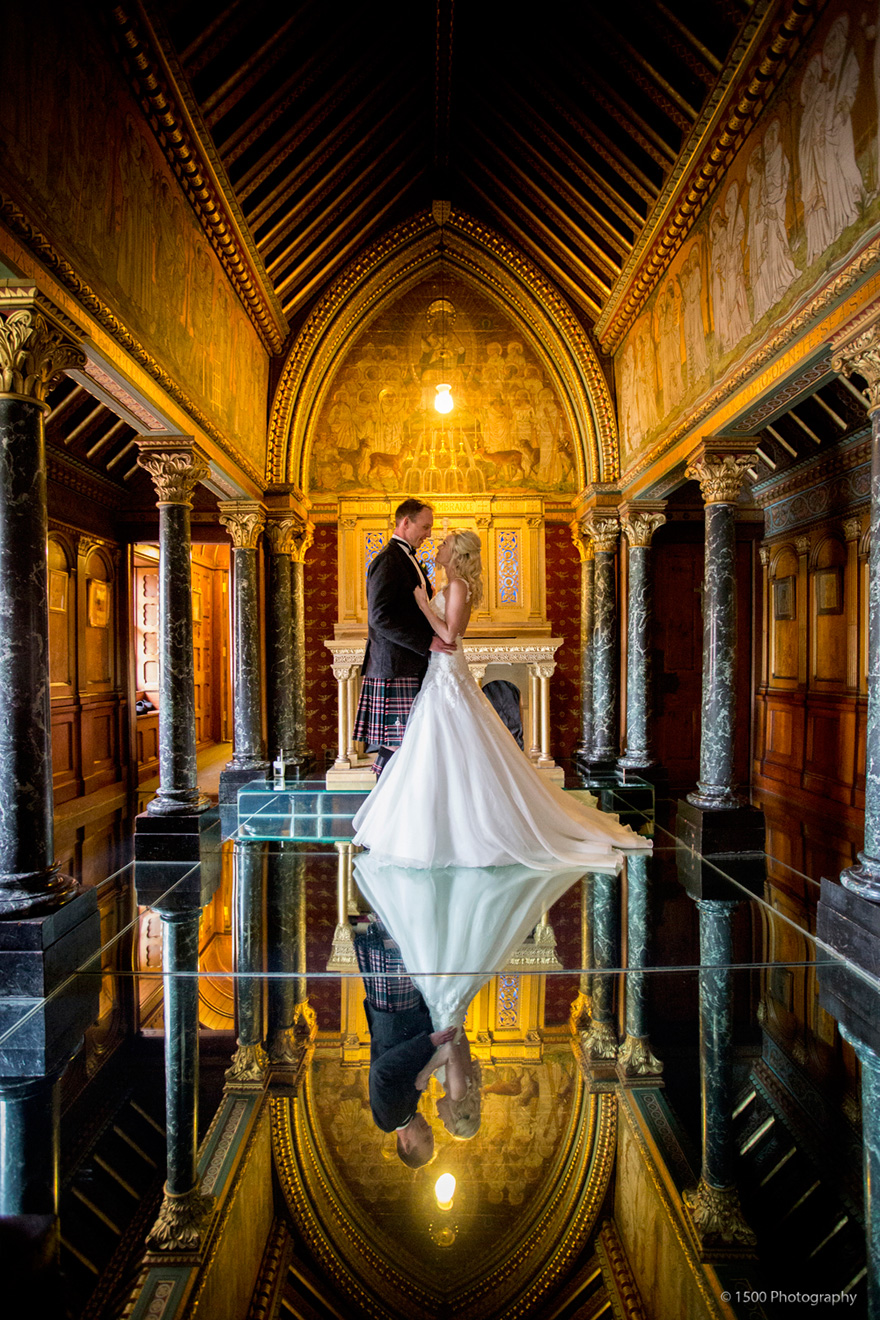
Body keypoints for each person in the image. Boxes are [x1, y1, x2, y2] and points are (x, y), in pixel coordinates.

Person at [352, 529, 652, 868]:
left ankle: (468, 828)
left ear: (458, 554)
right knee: (440, 745)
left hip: (447, 669)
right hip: (439, 671)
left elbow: (450, 634)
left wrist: (423, 606)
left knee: (445, 740)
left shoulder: (458, 586)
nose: (439, 544)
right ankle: (441, 824)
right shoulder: (450, 585)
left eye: (446, 544)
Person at [352, 498, 455, 775]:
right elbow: (380, 618)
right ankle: (383, 804)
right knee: (398, 742)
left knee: (405, 741)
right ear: (405, 522)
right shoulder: (388, 560)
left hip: (407, 664)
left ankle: (388, 804)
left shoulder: (407, 559)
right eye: (425, 526)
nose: (429, 533)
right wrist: (426, 641)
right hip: (395, 667)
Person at [353, 915, 455, 1166]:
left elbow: (382, 1071)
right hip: (401, 1015)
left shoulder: (388, 1120)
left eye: (427, 1141)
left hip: (394, 1013)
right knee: (408, 944)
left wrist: (429, 1043)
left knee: (398, 938)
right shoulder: (405, 1112)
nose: (431, 1132)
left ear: (407, 1145)